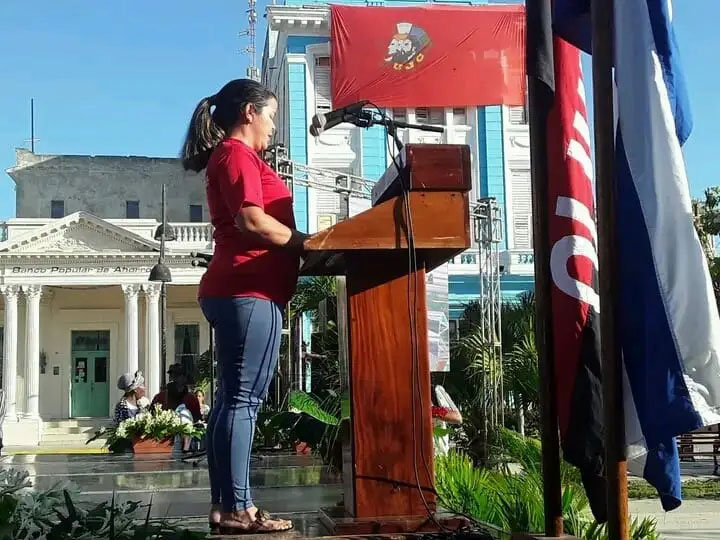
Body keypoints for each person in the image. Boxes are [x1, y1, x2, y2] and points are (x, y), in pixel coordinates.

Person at [182, 79, 306, 534]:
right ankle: (238, 507)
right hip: (247, 290)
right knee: (243, 401)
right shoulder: (236, 154)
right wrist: (303, 243)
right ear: (249, 113)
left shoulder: (238, 157)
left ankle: (225, 507)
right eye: (271, 115)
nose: (274, 126)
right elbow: (251, 219)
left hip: (240, 290)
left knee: (231, 403)